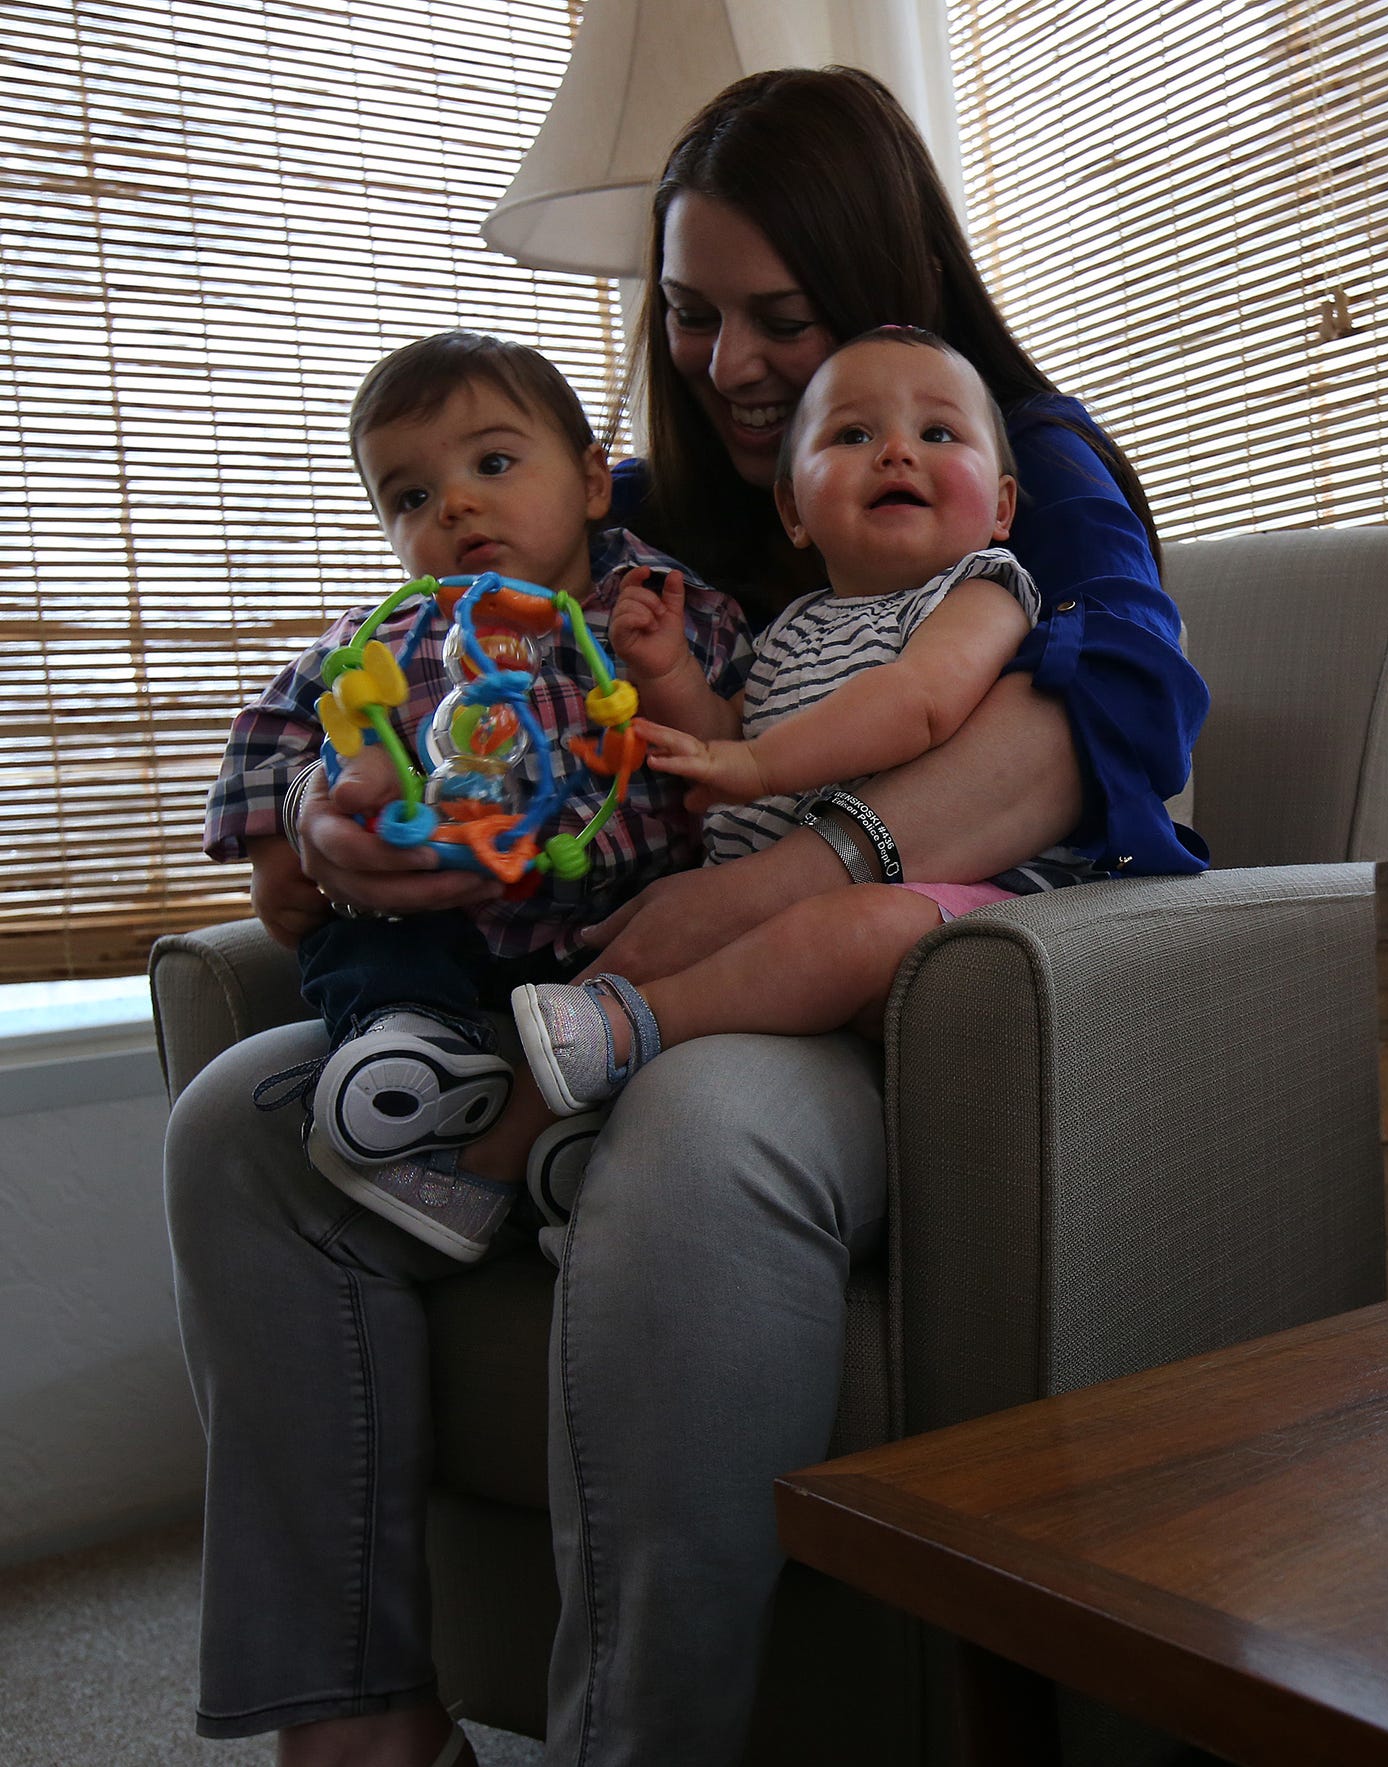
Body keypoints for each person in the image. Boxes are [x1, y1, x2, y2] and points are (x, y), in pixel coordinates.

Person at [165, 66, 1208, 1767]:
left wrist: (757, 891)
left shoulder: (1016, 460)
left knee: (696, 1120)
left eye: (778, 317)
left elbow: (1102, 731)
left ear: (893, 289)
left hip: (906, 978)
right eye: (690, 313)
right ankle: (359, 1720)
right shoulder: (637, 503)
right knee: (237, 1133)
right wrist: (332, 824)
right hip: (597, 978)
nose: (727, 364)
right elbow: (422, 668)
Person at [207, 331, 746, 1263]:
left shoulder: (662, 603)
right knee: (356, 942)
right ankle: (413, 1046)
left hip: (619, 923)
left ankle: (571, 1146)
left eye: (494, 463)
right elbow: (273, 725)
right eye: (410, 497)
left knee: (682, 980)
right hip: (457, 922)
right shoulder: (387, 634)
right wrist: (276, 851)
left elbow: (737, 738)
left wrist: (668, 677)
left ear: (589, 481)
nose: (454, 503)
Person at [513, 326, 1073, 1108]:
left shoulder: (980, 590)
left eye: (937, 432)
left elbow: (919, 703)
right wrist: (669, 672)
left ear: (1003, 505)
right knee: (704, 926)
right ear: (794, 510)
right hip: (778, 902)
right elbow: (728, 738)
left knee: (843, 932)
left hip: (943, 902)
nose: (896, 452)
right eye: (853, 435)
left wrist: (758, 766)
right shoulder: (794, 625)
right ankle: (591, 1116)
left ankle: (639, 1026)